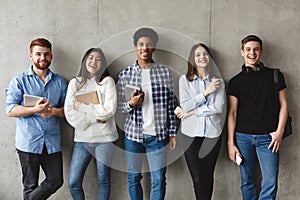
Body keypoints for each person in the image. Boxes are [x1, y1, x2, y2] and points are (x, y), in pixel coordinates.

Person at [117, 27, 177, 200]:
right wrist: (130, 104)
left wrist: (172, 133)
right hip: (133, 136)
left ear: (154, 47)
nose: (144, 48)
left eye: (148, 44)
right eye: (141, 44)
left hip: (158, 136)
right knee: (133, 177)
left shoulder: (165, 73)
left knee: (158, 179)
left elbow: (171, 105)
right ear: (135, 47)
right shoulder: (126, 74)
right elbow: (118, 108)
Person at [227, 35, 288, 200]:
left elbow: (284, 105)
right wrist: (230, 143)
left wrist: (279, 131)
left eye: (255, 49)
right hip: (242, 138)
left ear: (261, 52)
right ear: (242, 52)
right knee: (247, 181)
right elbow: (232, 113)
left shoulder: (275, 75)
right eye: (248, 49)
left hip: (268, 139)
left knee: (270, 181)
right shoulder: (235, 82)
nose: (252, 53)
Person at [5, 38, 66, 200]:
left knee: (56, 180)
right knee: (29, 186)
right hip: (28, 141)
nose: (42, 58)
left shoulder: (60, 82)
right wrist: (35, 109)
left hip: (52, 143)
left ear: (51, 56)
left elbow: (68, 111)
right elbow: (10, 109)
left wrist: (52, 111)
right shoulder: (19, 81)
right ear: (30, 56)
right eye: (38, 54)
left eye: (46, 54)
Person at [64, 48, 118, 200]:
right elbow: (69, 112)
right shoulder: (75, 83)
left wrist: (82, 107)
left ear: (103, 63)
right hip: (82, 140)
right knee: (73, 182)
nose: (94, 62)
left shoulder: (107, 82)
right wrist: (95, 118)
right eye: (90, 58)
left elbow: (109, 110)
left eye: (98, 59)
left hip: (105, 140)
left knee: (103, 180)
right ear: (84, 61)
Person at [176, 43, 225, 200]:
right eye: (198, 55)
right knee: (197, 178)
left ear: (209, 58)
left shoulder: (218, 81)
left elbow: (218, 108)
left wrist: (193, 112)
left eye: (205, 54)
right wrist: (207, 92)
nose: (202, 57)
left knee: (208, 176)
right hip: (190, 136)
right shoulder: (184, 80)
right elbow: (184, 105)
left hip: (212, 135)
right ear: (193, 59)